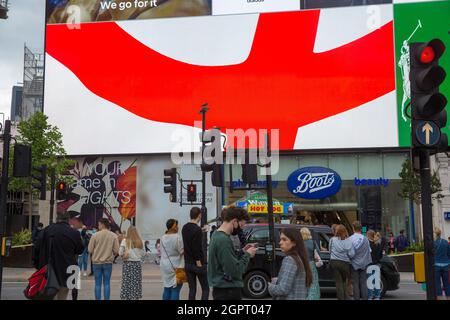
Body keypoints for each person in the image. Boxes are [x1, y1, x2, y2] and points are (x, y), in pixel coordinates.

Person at [208, 206, 257, 300]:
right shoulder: (224, 240)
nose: (241, 229)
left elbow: (225, 259)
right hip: (228, 291)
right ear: (234, 221)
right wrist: (248, 255)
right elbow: (235, 270)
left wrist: (243, 251)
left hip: (223, 289)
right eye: (241, 226)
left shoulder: (216, 234)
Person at [33, 212, 84, 300]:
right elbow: (80, 250)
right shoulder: (74, 233)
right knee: (62, 296)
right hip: (66, 272)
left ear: (57, 219)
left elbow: (36, 248)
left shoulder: (46, 230)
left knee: (49, 296)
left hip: (48, 271)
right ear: (68, 220)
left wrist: (37, 266)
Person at [268, 228, 312, 300]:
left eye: (284, 239)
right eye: (280, 239)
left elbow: (283, 289)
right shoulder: (300, 258)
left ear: (294, 243)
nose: (280, 242)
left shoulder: (290, 260)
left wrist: (270, 286)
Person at [88, 218, 119, 300]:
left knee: (97, 284)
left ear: (102, 224)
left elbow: (90, 250)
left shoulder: (95, 235)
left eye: (99, 224)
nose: (98, 226)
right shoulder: (113, 235)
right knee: (107, 283)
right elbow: (116, 250)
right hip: (108, 263)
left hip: (96, 263)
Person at [182, 207, 209, 300]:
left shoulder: (184, 227)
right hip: (197, 263)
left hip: (187, 263)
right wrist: (199, 263)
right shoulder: (197, 230)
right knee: (205, 289)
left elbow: (190, 240)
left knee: (192, 289)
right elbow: (196, 248)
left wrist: (201, 230)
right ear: (199, 215)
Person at [160, 219, 184, 300]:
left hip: (164, 265)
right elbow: (182, 252)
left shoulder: (162, 237)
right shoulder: (177, 237)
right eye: (176, 225)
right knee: (175, 289)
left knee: (166, 288)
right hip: (176, 265)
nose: (178, 227)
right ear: (173, 227)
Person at [329, 225, 355, 300]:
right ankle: (346, 297)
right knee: (344, 281)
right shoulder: (348, 241)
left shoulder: (332, 240)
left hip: (334, 262)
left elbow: (330, 251)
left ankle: (341, 298)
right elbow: (351, 254)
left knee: (338, 282)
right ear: (344, 231)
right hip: (344, 263)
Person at [119, 226, 145, 300]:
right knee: (136, 282)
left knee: (127, 282)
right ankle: (135, 296)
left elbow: (120, 252)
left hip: (127, 264)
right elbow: (143, 254)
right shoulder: (140, 241)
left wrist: (125, 254)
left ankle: (127, 297)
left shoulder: (125, 241)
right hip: (137, 264)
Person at [349, 221, 372, 300]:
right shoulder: (365, 239)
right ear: (361, 229)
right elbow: (369, 251)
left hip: (354, 264)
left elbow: (349, 252)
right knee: (363, 283)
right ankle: (365, 298)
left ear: (353, 228)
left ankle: (356, 298)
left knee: (355, 283)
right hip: (364, 264)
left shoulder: (350, 239)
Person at [300, 227, 321, 300]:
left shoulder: (299, 244)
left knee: (303, 283)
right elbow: (318, 252)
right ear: (308, 233)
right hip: (311, 264)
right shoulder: (312, 242)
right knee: (313, 282)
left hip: (301, 264)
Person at [433, 228, 450, 300]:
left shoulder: (434, 243)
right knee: (447, 283)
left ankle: (439, 298)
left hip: (437, 265)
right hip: (446, 265)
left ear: (435, 234)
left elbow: (432, 254)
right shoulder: (446, 242)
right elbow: (449, 254)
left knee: (438, 284)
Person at [367, 230, 383, 300]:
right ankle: (377, 296)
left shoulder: (368, 244)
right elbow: (381, 255)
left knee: (370, 282)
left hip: (370, 264)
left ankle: (370, 296)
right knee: (376, 281)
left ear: (368, 235)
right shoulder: (378, 244)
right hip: (377, 264)